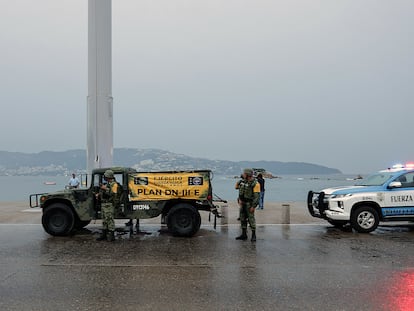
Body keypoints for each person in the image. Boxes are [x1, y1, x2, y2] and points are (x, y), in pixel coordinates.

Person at [236, 168, 259, 242]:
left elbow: (256, 196)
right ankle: (244, 234)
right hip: (243, 203)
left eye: (244, 173)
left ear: (248, 175)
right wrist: (239, 199)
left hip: (249, 204)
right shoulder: (243, 182)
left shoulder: (255, 184)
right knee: (242, 219)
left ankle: (253, 235)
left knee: (251, 219)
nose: (243, 174)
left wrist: (253, 206)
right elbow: (236, 188)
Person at [96, 170, 120, 242]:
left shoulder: (114, 184)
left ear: (108, 176)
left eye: (105, 176)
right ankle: (104, 234)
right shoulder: (108, 183)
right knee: (104, 220)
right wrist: (98, 194)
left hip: (109, 204)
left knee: (109, 219)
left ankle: (112, 236)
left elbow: (113, 193)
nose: (104, 177)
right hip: (104, 204)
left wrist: (105, 188)